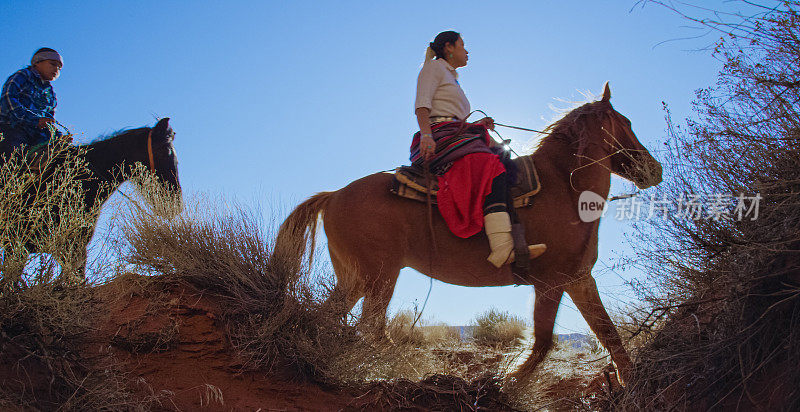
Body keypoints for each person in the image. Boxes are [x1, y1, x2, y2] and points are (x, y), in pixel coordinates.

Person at [410, 31, 545, 269]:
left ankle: (510, 230)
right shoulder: (433, 68)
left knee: (503, 157)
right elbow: (422, 105)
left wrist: (477, 126)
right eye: (463, 45)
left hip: (456, 132)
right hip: (439, 135)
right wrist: (427, 135)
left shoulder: (453, 78)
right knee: (489, 164)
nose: (467, 51)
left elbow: (454, 115)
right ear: (449, 47)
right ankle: (502, 246)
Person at [0, 47, 67, 160]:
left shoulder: (50, 93)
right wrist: (35, 121)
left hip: (35, 135)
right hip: (11, 127)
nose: (56, 69)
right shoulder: (23, 75)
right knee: (14, 156)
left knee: (59, 155)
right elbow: (8, 98)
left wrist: (58, 136)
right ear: (37, 62)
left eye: (59, 67)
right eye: (52, 64)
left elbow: (49, 119)